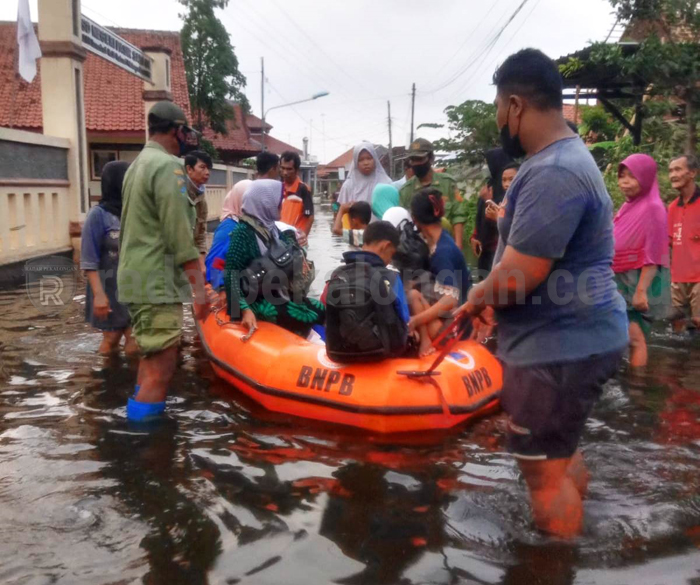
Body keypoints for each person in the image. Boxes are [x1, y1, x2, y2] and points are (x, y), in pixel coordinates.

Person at [456, 49, 628, 538]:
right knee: (560, 455)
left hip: (557, 350)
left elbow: (518, 278)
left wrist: (479, 296)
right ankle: (573, 542)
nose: (497, 120)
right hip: (572, 341)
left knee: (544, 476)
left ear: (514, 105)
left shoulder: (555, 172)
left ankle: (552, 565)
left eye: (496, 108)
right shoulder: (558, 160)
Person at [117, 101, 209, 422]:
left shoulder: (137, 165)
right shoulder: (169, 168)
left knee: (149, 362)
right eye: (185, 132)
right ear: (176, 131)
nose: (187, 139)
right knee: (161, 369)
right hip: (156, 282)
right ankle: (148, 452)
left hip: (135, 277)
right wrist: (199, 291)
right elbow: (179, 236)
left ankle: (137, 433)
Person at [224, 179, 324, 337]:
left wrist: (299, 246)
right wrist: (244, 310)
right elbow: (231, 274)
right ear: (265, 202)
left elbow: (292, 252)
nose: (281, 205)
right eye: (278, 201)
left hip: (277, 292)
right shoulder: (242, 232)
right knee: (301, 316)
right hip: (255, 299)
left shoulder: (273, 228)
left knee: (320, 307)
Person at [613, 154, 670, 368]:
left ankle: (637, 390)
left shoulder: (653, 208)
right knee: (624, 333)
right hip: (622, 276)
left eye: (631, 176)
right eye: (622, 176)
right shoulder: (628, 206)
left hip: (638, 279)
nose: (624, 182)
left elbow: (654, 254)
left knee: (635, 338)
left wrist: (641, 290)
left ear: (646, 177)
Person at [324, 221, 410, 362]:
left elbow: (326, 308)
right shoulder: (391, 276)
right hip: (381, 352)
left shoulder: (339, 273)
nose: (389, 261)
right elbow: (404, 318)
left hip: (339, 353)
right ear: (386, 245)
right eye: (392, 254)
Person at [81, 161, 137, 356]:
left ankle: (132, 383)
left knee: (135, 339)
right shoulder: (98, 216)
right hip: (108, 288)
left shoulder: (134, 213)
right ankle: (102, 381)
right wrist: (99, 295)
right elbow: (89, 260)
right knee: (111, 339)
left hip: (134, 286)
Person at [407, 188, 471, 357]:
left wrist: (415, 321)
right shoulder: (441, 239)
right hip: (456, 318)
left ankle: (426, 342)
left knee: (413, 295)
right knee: (413, 287)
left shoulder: (442, 252)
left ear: (415, 219)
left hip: (456, 326)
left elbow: (451, 299)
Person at [399, 138, 467, 249]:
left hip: (447, 245)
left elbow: (458, 215)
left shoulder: (447, 183)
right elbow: (404, 223)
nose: (416, 164)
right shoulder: (406, 190)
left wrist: (458, 245)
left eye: (420, 159)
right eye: (413, 160)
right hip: (419, 249)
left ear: (431, 158)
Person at [668, 153, 700, 331]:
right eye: (670, 170)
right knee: (676, 328)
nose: (672, 174)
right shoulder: (672, 207)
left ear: (692, 173)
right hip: (678, 279)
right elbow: (669, 242)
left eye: (678, 169)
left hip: (699, 279)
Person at [470, 149, 512, 277]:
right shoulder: (490, 185)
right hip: (485, 251)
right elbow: (481, 216)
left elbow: (504, 217)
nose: (485, 168)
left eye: (487, 164)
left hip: (501, 250)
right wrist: (474, 237)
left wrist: (488, 200)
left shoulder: (511, 191)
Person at [205, 179, 253, 290]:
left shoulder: (245, 223)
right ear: (239, 200)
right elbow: (216, 262)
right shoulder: (228, 228)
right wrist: (222, 289)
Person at [184, 150, 212, 271]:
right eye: (202, 167)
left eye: (208, 168)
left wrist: (201, 263)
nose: (207, 172)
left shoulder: (201, 197)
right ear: (189, 169)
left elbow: (201, 234)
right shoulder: (179, 193)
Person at [280, 150, 314, 235]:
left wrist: (304, 237)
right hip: (279, 239)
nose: (285, 172)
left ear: (297, 170)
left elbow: (310, 216)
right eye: (283, 168)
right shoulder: (278, 187)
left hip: (296, 240)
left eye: (289, 169)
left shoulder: (303, 189)